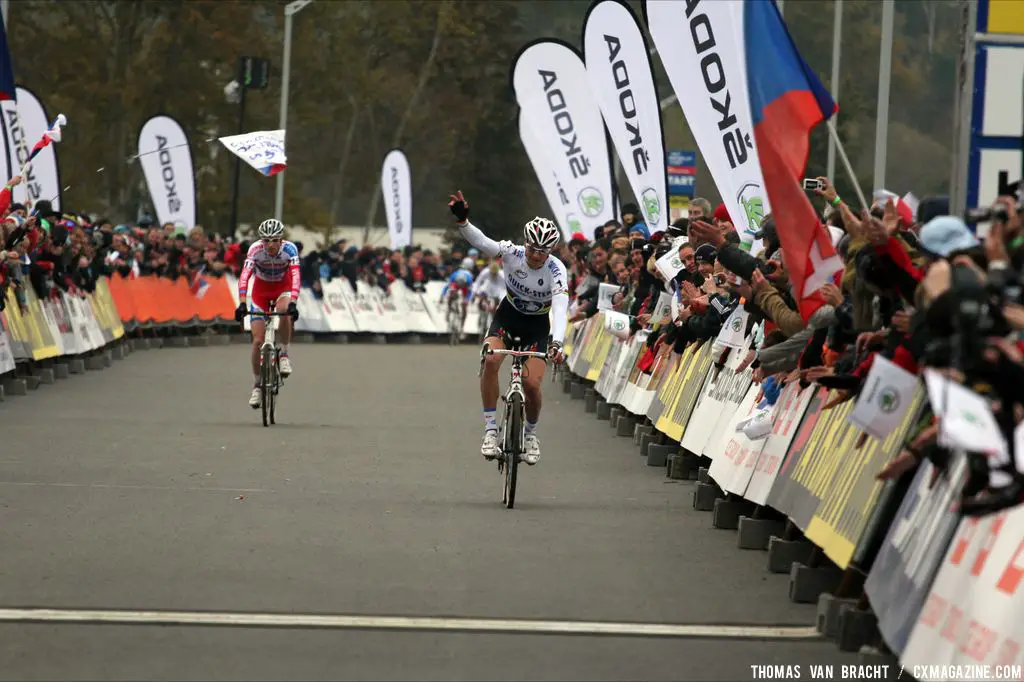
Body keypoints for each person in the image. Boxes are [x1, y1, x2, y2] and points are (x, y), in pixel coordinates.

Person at [447, 190, 568, 465]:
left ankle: (530, 434)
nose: (536, 255)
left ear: (551, 250)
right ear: (525, 243)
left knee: (532, 384)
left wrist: (558, 342)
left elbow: (561, 308)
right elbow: (482, 242)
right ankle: (490, 430)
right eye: (532, 248)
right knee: (491, 359)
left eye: (543, 251)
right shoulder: (512, 253)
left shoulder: (557, 270)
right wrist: (463, 221)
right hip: (508, 318)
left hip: (537, 326)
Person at [234, 218, 300, 409]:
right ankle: (256, 386)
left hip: (283, 288)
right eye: (266, 240)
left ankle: (284, 354)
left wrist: (293, 302)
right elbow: (245, 276)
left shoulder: (290, 250)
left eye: (274, 240)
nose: (270, 245)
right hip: (260, 292)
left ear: (281, 240)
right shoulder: (255, 250)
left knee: (283, 310)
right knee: (257, 341)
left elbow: (296, 276)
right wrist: (242, 303)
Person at [440, 256, 476, 334]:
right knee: (452, 293)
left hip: (465, 286)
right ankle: (449, 309)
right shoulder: (454, 276)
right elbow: (446, 287)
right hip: (455, 284)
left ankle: (462, 326)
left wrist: (467, 300)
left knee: (464, 305)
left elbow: (470, 292)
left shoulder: (469, 279)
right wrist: (442, 296)